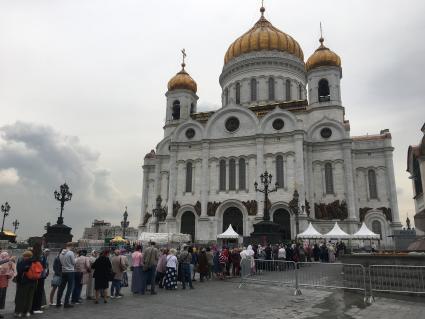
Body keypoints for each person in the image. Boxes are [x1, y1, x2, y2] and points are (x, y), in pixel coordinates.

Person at [15, 251, 37, 317]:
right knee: (30, 297)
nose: (23, 257)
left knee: (21, 297)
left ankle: (19, 312)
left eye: (24, 256)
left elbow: (19, 271)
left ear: (26, 256)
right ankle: (27, 311)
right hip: (33, 281)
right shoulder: (35, 262)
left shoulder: (22, 262)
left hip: (24, 282)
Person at [56, 243, 76, 308]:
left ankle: (58, 302)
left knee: (61, 288)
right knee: (69, 288)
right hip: (70, 272)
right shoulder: (71, 253)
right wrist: (76, 259)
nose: (74, 247)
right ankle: (66, 303)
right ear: (71, 246)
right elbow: (73, 263)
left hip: (63, 271)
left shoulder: (61, 253)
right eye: (73, 246)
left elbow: (61, 262)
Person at [31, 243, 48, 314]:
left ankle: (32, 307)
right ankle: (37, 307)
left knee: (33, 292)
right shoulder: (41, 256)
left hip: (33, 275)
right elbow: (44, 265)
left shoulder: (31, 254)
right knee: (39, 291)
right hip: (40, 275)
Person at [0, 251, 15, 318]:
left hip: (4, 284)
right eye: (5, 257)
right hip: (1, 284)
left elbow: (9, 276)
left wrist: (10, 271)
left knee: (2, 299)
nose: (6, 258)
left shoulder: (7, 264)